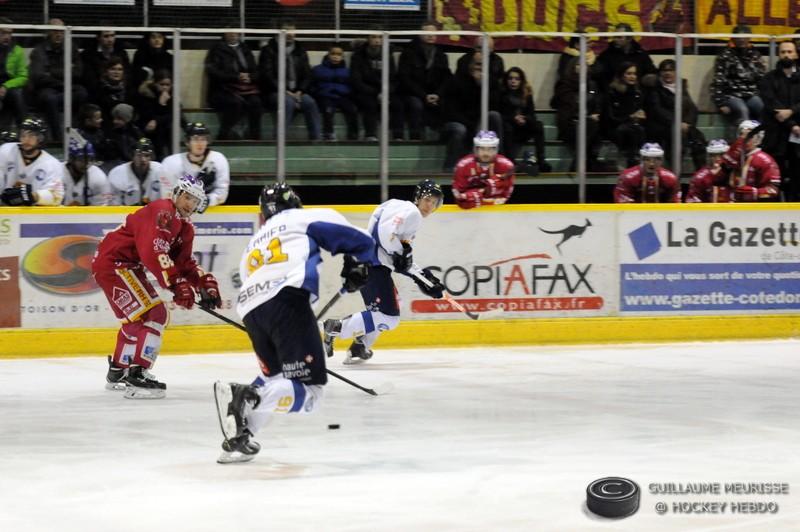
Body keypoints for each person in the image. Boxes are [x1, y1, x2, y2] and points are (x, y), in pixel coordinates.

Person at [213, 182, 376, 463]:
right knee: (311, 393)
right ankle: (247, 395)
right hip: (287, 300)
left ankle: (240, 435)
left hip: (251, 310)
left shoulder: (255, 241)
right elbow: (362, 240)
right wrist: (357, 264)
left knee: (275, 379)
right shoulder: (304, 217)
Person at [92, 175, 220, 399]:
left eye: (195, 201)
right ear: (176, 194)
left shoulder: (185, 228)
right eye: (187, 197)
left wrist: (204, 283)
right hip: (115, 263)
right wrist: (176, 284)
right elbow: (153, 251)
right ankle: (138, 374)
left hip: (121, 265)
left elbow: (184, 263)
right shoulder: (163, 211)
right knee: (156, 313)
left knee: (137, 320)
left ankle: (119, 371)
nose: (190, 204)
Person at [322, 179, 445, 365]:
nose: (430, 206)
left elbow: (397, 254)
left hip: (364, 262)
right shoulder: (413, 214)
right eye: (428, 200)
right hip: (373, 266)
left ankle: (360, 346)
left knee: (386, 309)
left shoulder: (396, 204)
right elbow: (388, 237)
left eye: (434, 203)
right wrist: (404, 258)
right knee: (389, 318)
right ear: (418, 198)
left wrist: (424, 278)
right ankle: (336, 327)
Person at [258, 21, 320, 140]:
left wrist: (300, 91)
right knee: (287, 103)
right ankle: (279, 140)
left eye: (293, 31)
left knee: (310, 103)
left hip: (297, 92)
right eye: (287, 30)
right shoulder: (268, 50)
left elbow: (307, 74)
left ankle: (315, 139)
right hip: (275, 91)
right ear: (279, 32)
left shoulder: (300, 50)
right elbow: (267, 76)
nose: (291, 34)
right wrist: (285, 91)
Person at [28, 18, 88, 140]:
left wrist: (51, 72)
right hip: (47, 90)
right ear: (48, 32)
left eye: (61, 31)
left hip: (68, 87)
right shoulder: (39, 50)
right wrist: (64, 76)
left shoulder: (71, 48)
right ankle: (58, 139)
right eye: (55, 31)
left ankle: (77, 135)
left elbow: (78, 73)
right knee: (50, 99)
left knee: (82, 93)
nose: (59, 34)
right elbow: (39, 77)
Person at [643, 59, 706, 171]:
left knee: (698, 138)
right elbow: (657, 110)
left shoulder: (681, 87)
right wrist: (677, 123)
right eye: (664, 70)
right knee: (677, 138)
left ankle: (701, 172)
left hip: (682, 125)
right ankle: (674, 172)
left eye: (671, 70)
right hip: (662, 126)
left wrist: (687, 123)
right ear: (660, 73)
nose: (668, 73)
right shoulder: (655, 88)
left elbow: (692, 108)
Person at [439, 60, 503, 171]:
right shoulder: (455, 81)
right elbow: (450, 111)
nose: (480, 68)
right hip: (455, 122)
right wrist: (471, 125)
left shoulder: (491, 82)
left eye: (483, 64)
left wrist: (481, 86)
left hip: (477, 123)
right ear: (470, 64)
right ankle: (450, 166)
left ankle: (498, 161)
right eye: (477, 64)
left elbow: (494, 106)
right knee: (460, 129)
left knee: (494, 116)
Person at [395, 21, 452, 140]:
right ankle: (415, 138)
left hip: (434, 94)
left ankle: (440, 138)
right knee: (416, 105)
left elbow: (446, 78)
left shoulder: (441, 55)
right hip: (412, 93)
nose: (431, 35)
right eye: (427, 32)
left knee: (448, 104)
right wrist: (423, 95)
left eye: (433, 33)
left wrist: (438, 94)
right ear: (420, 34)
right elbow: (405, 78)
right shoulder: (408, 53)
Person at [758, 40, 800, 201]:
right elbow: (772, 105)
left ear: (796, 54)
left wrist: (792, 112)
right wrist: (792, 125)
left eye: (789, 52)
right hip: (775, 135)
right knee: (774, 176)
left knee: (797, 175)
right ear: (778, 55)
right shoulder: (768, 79)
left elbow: (790, 110)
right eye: (783, 52)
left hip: (797, 135)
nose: (786, 55)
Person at [205, 30, 262, 140]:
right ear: (224, 34)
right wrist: (235, 77)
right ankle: (223, 136)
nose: (233, 34)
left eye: (236, 32)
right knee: (234, 103)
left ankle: (255, 138)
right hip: (223, 89)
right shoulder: (216, 49)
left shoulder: (245, 49)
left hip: (246, 88)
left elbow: (256, 71)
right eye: (230, 32)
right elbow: (213, 71)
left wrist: (250, 77)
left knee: (256, 103)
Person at [161, 122, 230, 211]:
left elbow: (222, 194)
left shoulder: (218, 160)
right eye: (195, 139)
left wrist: (206, 200)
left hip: (210, 214)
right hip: (179, 215)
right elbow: (167, 196)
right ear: (187, 142)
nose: (200, 143)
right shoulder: (171, 163)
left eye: (203, 139)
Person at [710, 25, 766, 127]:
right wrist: (720, 103)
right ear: (733, 38)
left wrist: (765, 97)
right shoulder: (725, 56)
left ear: (749, 38)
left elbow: (762, 79)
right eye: (738, 37)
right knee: (742, 110)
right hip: (732, 95)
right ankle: (743, 137)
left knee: (763, 108)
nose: (741, 40)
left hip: (751, 95)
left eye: (744, 37)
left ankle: (761, 135)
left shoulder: (755, 55)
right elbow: (718, 81)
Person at [0, 116, 63, 206]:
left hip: (34, 212)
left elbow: (57, 197)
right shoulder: (6, 151)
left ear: (41, 138)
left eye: (31, 135)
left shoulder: (53, 164)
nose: (26, 139)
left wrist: (34, 196)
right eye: (23, 135)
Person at [498, 67, 549, 172]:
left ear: (521, 81)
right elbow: (500, 115)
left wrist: (525, 118)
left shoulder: (526, 94)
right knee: (507, 126)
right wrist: (514, 118)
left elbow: (532, 115)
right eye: (510, 78)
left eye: (517, 79)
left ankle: (541, 160)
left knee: (538, 125)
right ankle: (510, 161)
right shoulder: (501, 94)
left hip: (523, 128)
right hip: (509, 129)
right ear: (506, 80)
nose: (513, 81)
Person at [716, 120, 781, 202]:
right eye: (741, 134)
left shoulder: (765, 160)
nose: (744, 138)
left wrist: (755, 193)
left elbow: (773, 190)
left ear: (758, 139)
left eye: (749, 135)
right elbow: (716, 180)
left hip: (755, 207)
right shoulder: (733, 155)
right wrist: (726, 164)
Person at [451, 130, 516, 209]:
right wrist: (477, 195)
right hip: (469, 210)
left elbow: (505, 195)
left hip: (496, 210)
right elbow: (458, 194)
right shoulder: (463, 165)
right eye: (482, 149)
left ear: (496, 149)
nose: (486, 153)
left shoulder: (506, 166)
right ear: (476, 149)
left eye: (490, 149)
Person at [310, 45, 359, 141]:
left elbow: (351, 85)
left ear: (342, 57)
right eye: (333, 54)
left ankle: (353, 135)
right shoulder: (318, 69)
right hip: (326, 96)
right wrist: (319, 92)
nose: (335, 56)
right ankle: (328, 134)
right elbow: (313, 84)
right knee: (328, 111)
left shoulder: (347, 71)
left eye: (339, 54)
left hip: (342, 96)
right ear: (328, 55)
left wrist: (347, 92)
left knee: (352, 110)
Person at [603, 62, 646, 168]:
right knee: (630, 130)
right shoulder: (612, 92)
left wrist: (641, 116)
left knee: (639, 129)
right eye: (629, 73)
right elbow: (610, 117)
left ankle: (634, 160)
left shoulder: (638, 93)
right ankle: (632, 161)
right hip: (614, 126)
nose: (632, 76)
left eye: (634, 74)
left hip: (632, 126)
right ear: (621, 75)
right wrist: (631, 117)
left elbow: (639, 111)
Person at [108, 137, 168, 205]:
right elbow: (113, 206)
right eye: (139, 155)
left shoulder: (160, 170)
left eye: (147, 155)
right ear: (132, 156)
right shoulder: (117, 174)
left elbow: (167, 199)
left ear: (151, 157)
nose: (143, 159)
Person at [613, 142, 681, 203]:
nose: (652, 164)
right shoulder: (627, 177)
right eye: (647, 159)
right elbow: (623, 206)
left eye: (656, 159)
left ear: (661, 161)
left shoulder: (671, 178)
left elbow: (675, 204)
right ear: (641, 160)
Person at [61, 135, 111, 206]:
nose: (87, 163)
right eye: (82, 159)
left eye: (90, 159)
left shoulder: (98, 177)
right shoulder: (56, 172)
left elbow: (102, 208)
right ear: (71, 158)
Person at [0, 18, 28, 130]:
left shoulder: (17, 50)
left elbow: (23, 76)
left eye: (9, 33)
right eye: (3, 33)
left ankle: (25, 130)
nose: (7, 37)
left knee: (17, 94)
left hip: (8, 86)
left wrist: (5, 86)